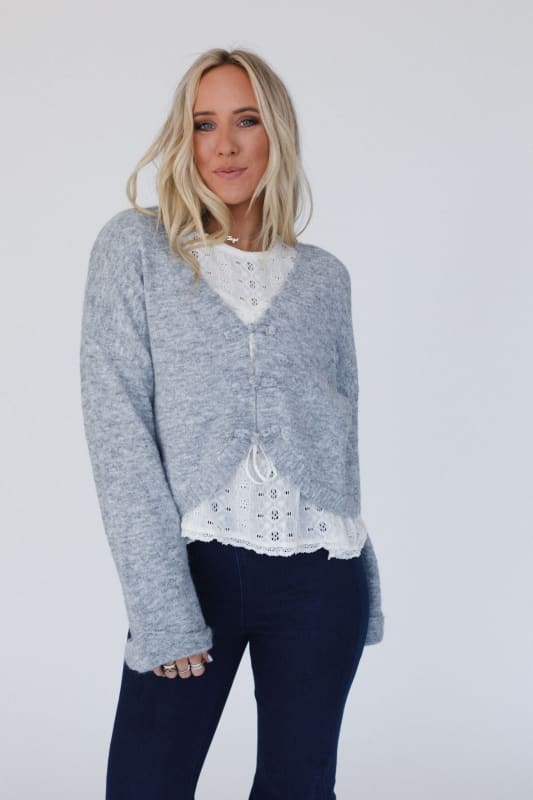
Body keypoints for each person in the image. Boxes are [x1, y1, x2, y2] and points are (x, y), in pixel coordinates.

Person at [80, 46, 385, 800]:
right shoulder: (136, 248)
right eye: (203, 124)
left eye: (246, 121)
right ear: (182, 140)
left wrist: (365, 580)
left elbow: (341, 437)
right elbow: (117, 430)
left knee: (299, 788)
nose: (224, 145)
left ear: (275, 133)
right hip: (194, 572)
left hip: (321, 578)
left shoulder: (325, 278)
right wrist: (160, 607)